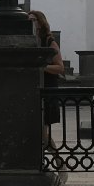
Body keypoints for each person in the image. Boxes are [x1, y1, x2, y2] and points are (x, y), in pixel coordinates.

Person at [28, 10, 66, 162]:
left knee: (43, 132)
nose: (30, 22)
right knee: (38, 132)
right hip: (32, 90)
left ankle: (58, 162)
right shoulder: (27, 41)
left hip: (47, 90)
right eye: (28, 20)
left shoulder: (49, 42)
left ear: (40, 23)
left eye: (33, 20)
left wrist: (42, 67)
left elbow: (60, 67)